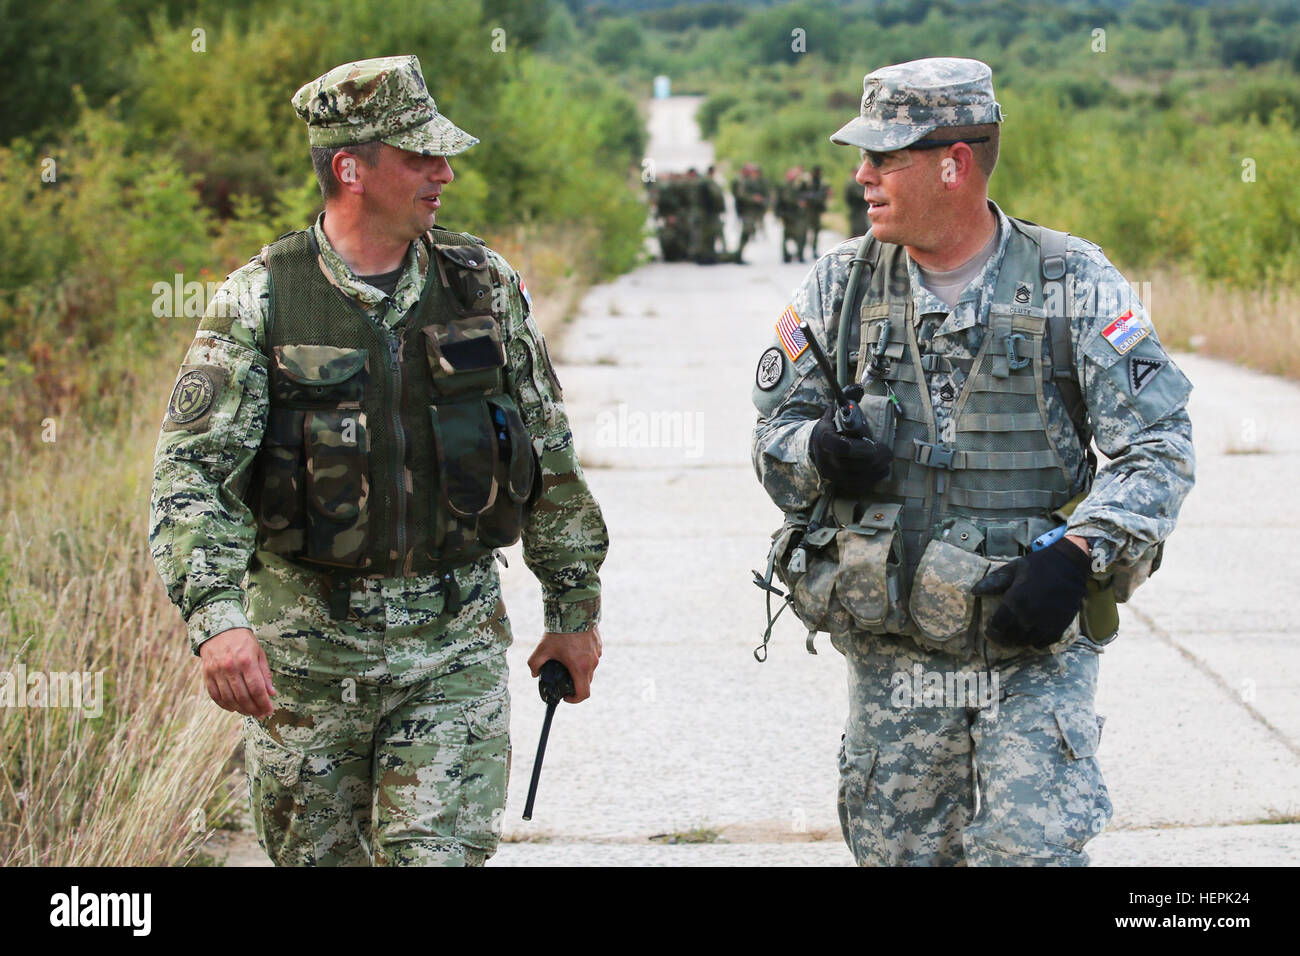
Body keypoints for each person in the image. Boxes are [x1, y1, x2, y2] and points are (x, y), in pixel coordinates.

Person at [149, 55, 609, 867]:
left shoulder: (483, 287)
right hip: (307, 668)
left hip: (453, 648)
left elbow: (549, 455)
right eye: (419, 157)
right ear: (350, 167)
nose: (446, 173)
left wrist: (573, 609)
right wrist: (217, 622)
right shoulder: (262, 301)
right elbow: (194, 481)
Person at [750, 57, 1194, 866]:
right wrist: (815, 450)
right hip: (896, 641)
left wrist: (1081, 549)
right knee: (899, 854)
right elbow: (773, 437)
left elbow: (1157, 447)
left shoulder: (1071, 279)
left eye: (885, 159)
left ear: (953, 164)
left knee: (1029, 848)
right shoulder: (842, 285)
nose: (862, 177)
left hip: (1031, 636)